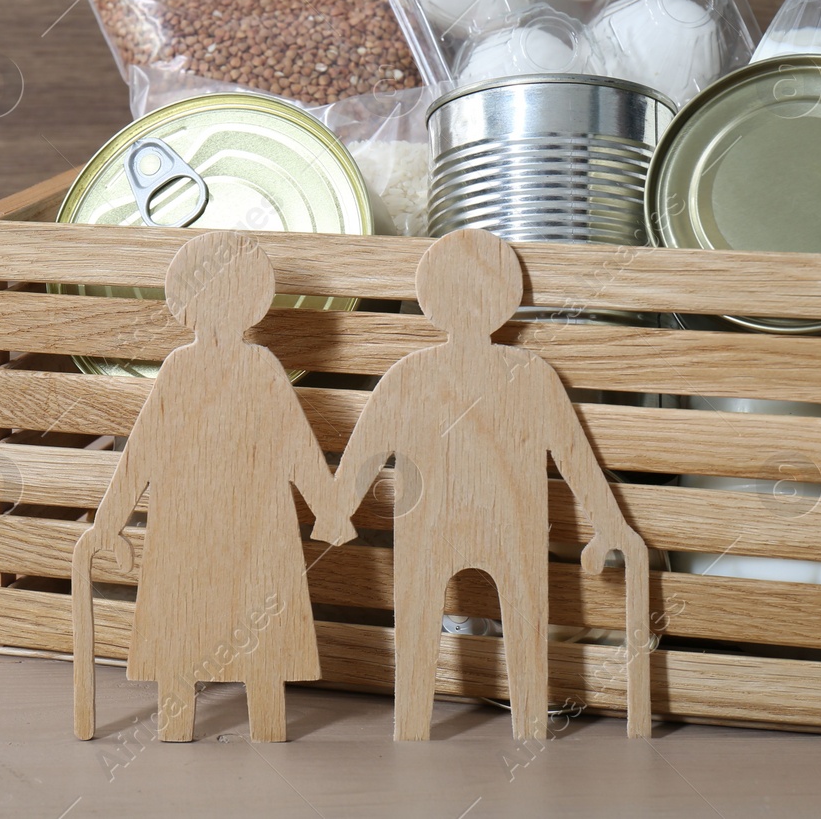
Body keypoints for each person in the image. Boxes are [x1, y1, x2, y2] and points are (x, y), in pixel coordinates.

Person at [316, 229, 650, 740]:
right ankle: (498, 728)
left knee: (499, 622)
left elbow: (573, 455)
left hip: (484, 524)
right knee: (481, 622)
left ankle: (470, 726)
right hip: (465, 525)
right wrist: (336, 510)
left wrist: (335, 512)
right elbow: (367, 450)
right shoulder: (516, 373)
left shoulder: (422, 374)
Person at [77, 231, 349, 743]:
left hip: (239, 522)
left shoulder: (251, 368)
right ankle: (188, 722)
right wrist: (107, 522)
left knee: (246, 626)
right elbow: (144, 451)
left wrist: (330, 510)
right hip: (205, 522)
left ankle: (246, 723)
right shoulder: (202, 369)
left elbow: (294, 444)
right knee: (195, 622)